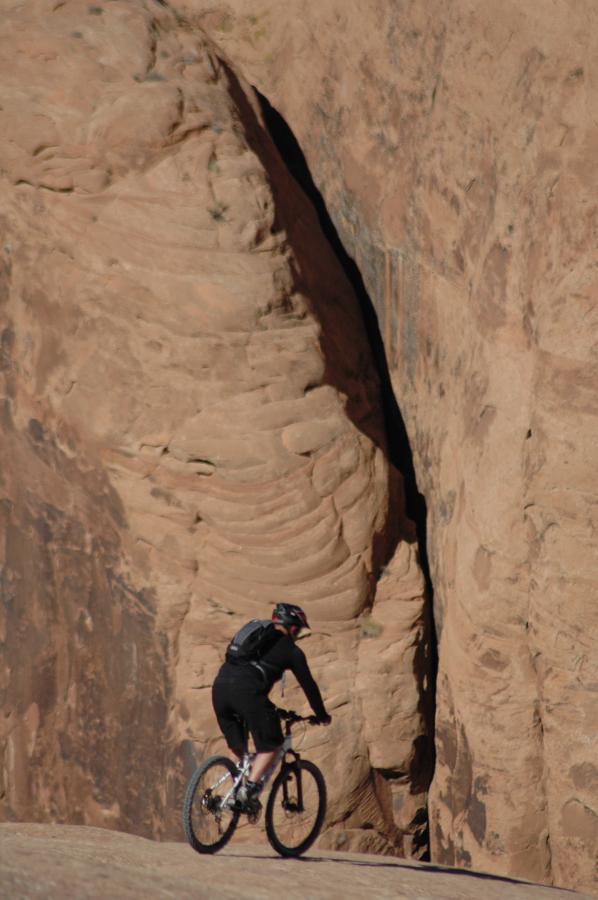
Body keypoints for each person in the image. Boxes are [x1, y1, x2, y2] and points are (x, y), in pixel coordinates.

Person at [212, 602, 331, 807]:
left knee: (238, 745)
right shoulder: (292, 652)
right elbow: (309, 686)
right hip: (246, 693)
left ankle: (233, 792)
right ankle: (248, 790)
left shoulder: (254, 636)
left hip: (220, 687)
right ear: (293, 627)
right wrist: (321, 715)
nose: (298, 633)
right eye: (298, 629)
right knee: (272, 745)